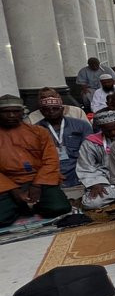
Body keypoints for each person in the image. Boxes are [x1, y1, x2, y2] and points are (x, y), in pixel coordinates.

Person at [0, 94, 72, 227]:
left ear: (22, 112)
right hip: (7, 184)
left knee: (59, 208)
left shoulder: (39, 132)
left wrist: (37, 185)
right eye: (5, 112)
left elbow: (51, 160)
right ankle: (21, 207)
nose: (11, 115)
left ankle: (30, 205)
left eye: (15, 111)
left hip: (39, 179)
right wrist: (13, 190)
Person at [33, 89, 91, 187]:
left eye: (55, 108)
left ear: (62, 109)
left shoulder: (81, 125)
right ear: (41, 112)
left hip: (80, 170)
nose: (51, 112)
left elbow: (89, 153)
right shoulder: (35, 130)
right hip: (50, 172)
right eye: (46, 109)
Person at [77, 109, 115, 211]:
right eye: (108, 130)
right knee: (90, 203)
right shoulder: (90, 143)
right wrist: (95, 183)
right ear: (101, 129)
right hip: (106, 181)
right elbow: (86, 166)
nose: (113, 133)